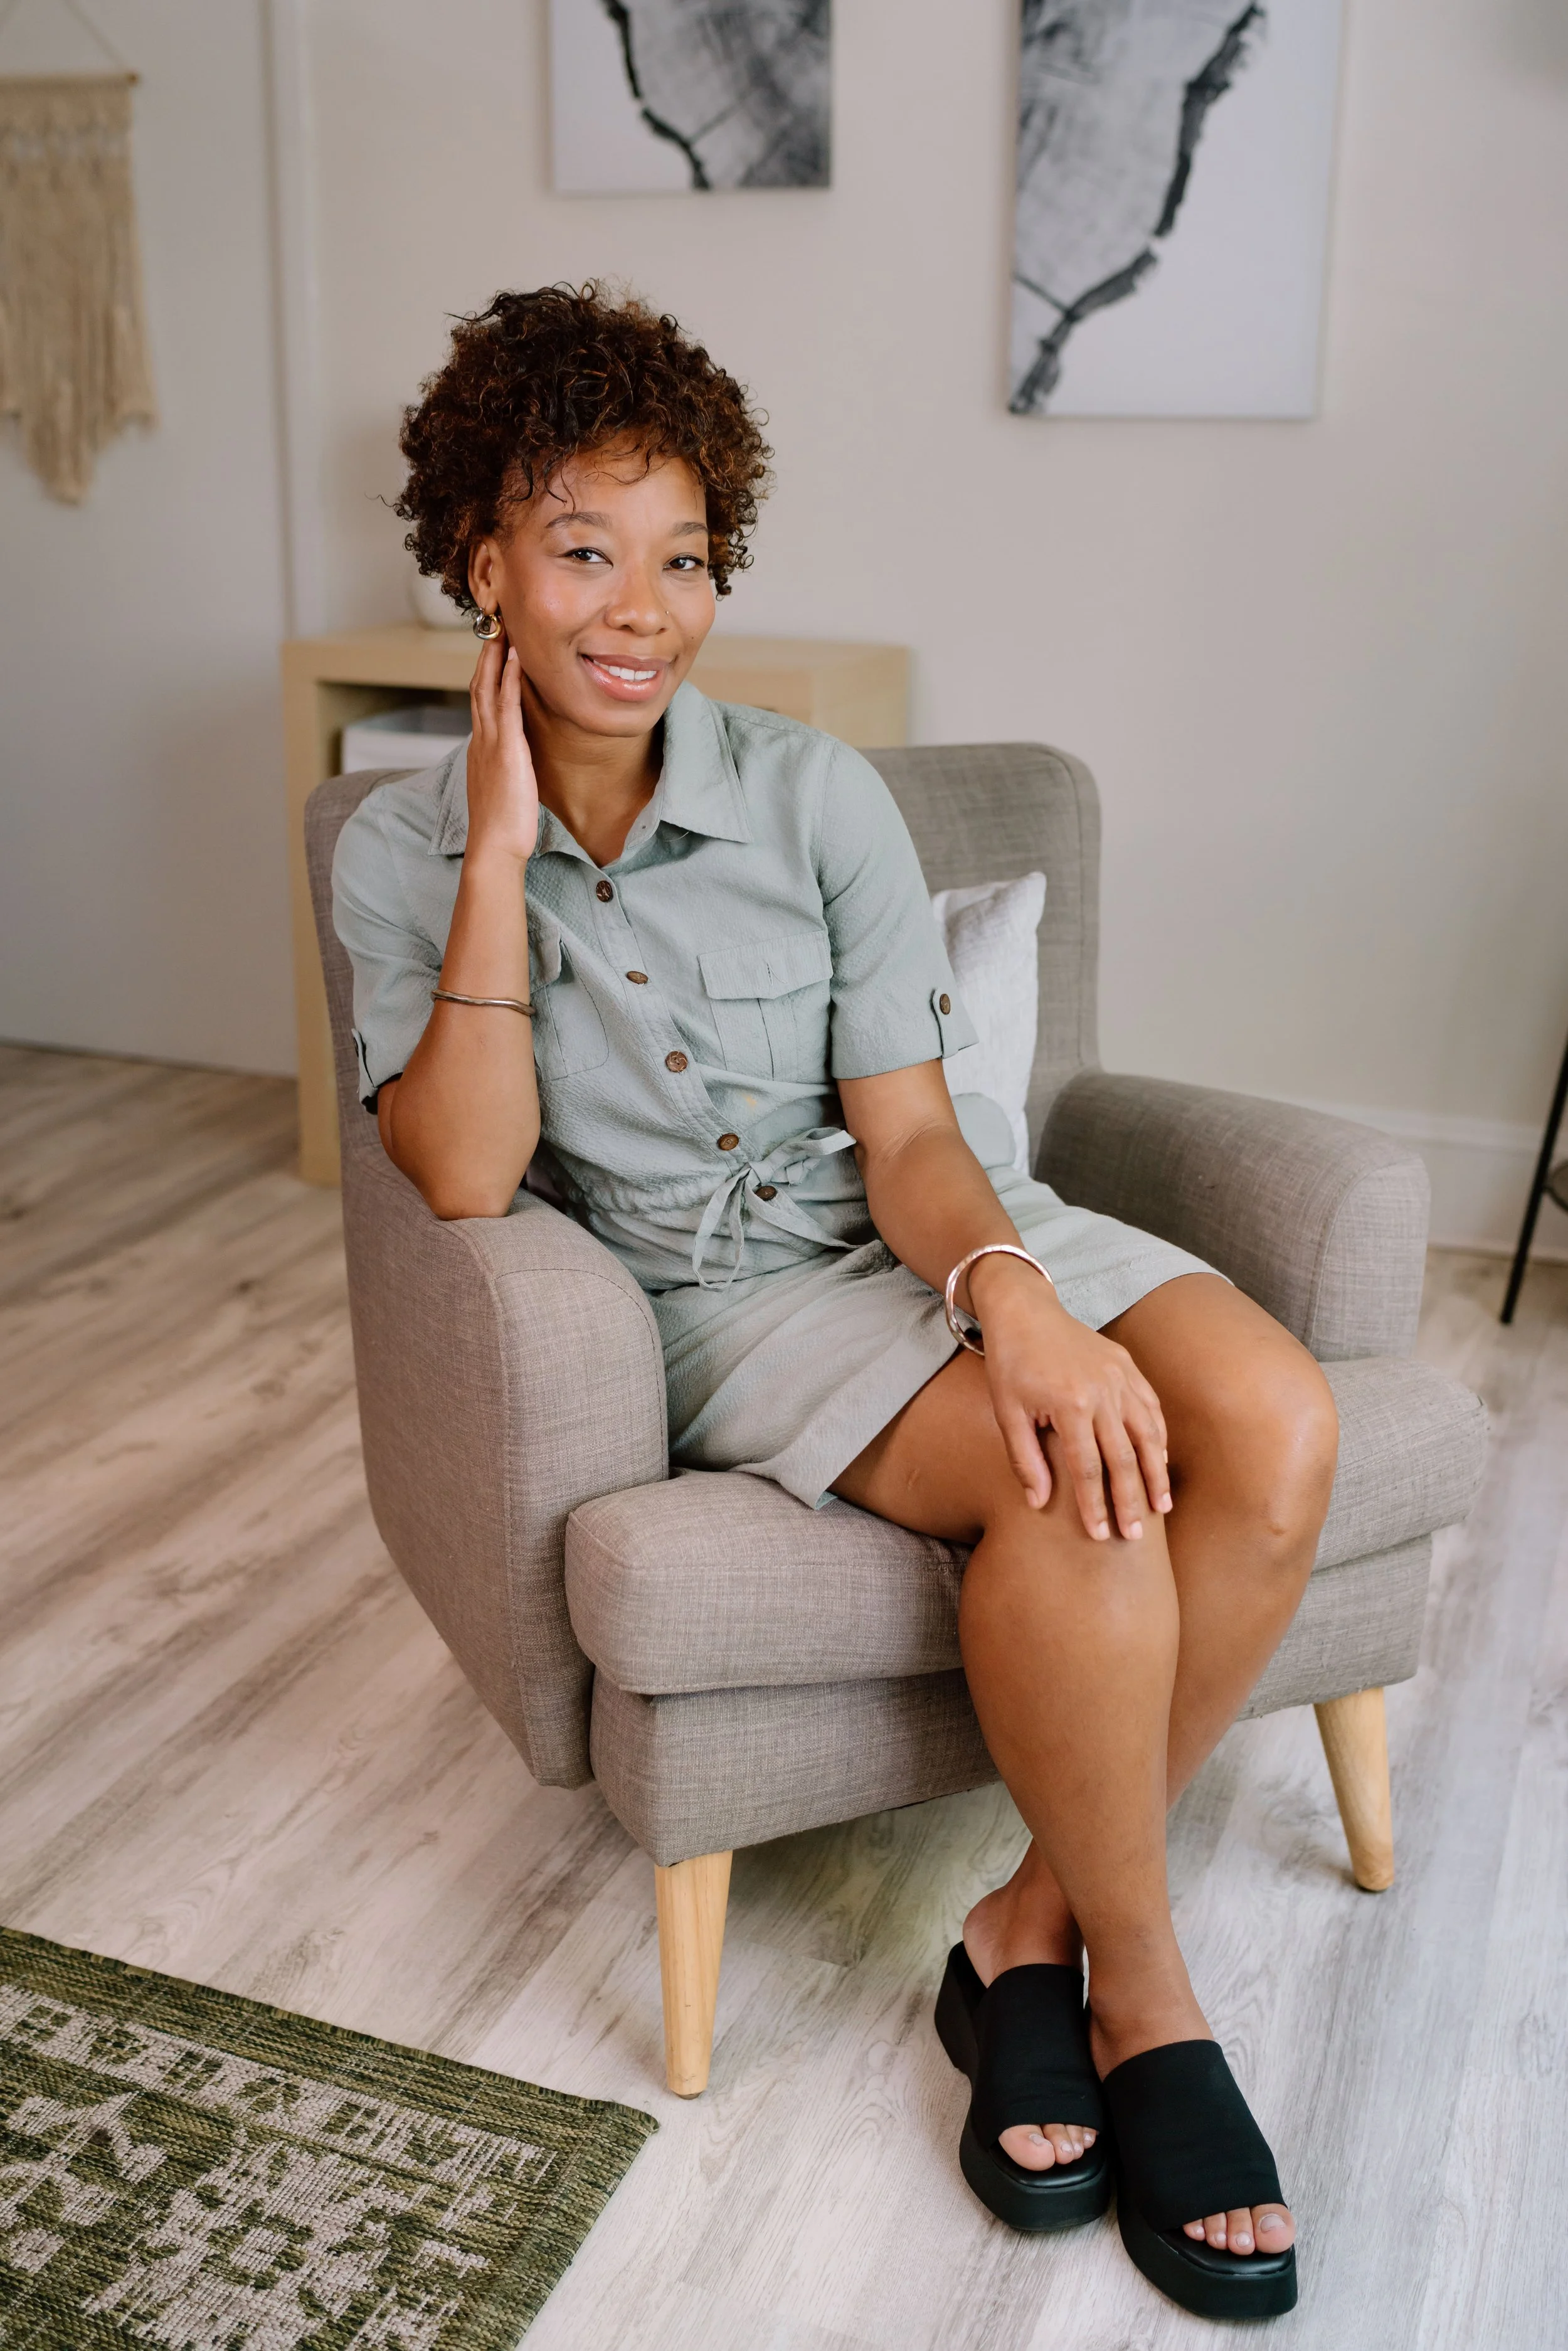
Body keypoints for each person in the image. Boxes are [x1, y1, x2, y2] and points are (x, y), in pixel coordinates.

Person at [334, 284, 1337, 2322]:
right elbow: (454, 1170)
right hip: (734, 1304)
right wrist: (493, 858)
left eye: (682, 554)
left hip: (927, 1227)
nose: (641, 606)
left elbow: (906, 1135)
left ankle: (1021, 1930)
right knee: (1081, 1490)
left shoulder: (814, 796)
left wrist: (1013, 1292)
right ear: (481, 563)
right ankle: (1143, 2001)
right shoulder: (396, 847)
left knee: (1281, 1421)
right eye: (582, 547)